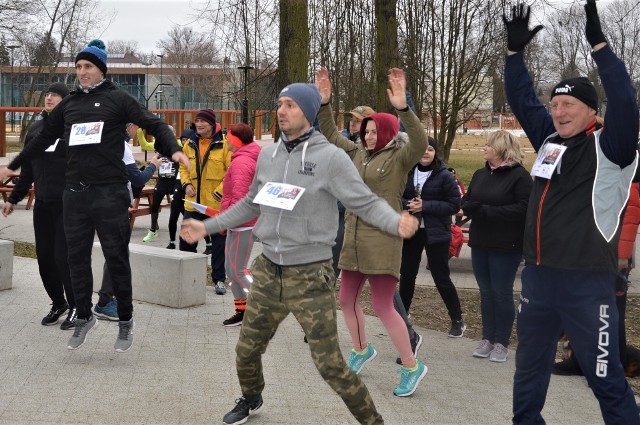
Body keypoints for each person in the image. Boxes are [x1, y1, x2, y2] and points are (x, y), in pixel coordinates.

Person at [180, 81, 419, 425]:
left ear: (307, 112)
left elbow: (362, 201)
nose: (281, 111)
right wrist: (208, 226)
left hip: (308, 275)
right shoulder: (268, 154)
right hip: (268, 270)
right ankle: (251, 397)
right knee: (246, 350)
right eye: (280, 104)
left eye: (290, 105)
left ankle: (372, 420)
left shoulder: (331, 157)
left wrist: (395, 222)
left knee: (330, 365)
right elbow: (250, 203)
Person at [0, 39, 189, 353]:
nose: (81, 72)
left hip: (110, 192)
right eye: (78, 67)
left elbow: (154, 123)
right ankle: (84, 316)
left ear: (101, 68)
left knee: (116, 257)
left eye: (87, 66)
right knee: (75, 259)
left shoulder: (118, 99)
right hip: (74, 193)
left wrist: (175, 148)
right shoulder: (70, 105)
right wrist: (14, 167)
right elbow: (42, 139)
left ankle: (126, 320)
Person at [503, 3, 640, 423]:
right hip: (540, 279)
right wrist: (513, 56)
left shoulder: (612, 148)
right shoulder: (549, 141)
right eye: (555, 104)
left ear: (591, 111)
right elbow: (523, 100)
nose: (558, 112)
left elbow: (624, 98)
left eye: (569, 105)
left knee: (605, 378)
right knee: (528, 375)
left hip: (588, 283)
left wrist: (600, 47)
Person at [316, 67, 428, 396]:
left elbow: (420, 142)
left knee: (382, 305)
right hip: (352, 236)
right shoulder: (356, 154)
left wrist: (403, 108)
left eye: (373, 131)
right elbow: (329, 136)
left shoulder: (400, 157)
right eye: (365, 131)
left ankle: (411, 365)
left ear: (388, 132)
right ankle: (362, 349)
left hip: (382, 237)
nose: (366, 136)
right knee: (345, 299)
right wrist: (324, 104)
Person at [2, 82, 76, 330]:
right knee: (44, 257)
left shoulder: (73, 129)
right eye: (47, 94)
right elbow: (28, 171)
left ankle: (77, 307)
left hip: (68, 203)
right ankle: (59, 303)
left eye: (55, 94)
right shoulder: (36, 129)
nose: (49, 97)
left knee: (62, 256)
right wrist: (14, 198)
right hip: (43, 204)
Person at [460, 130, 532, 363]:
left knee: (501, 293)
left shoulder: (519, 176)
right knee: (486, 293)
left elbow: (523, 208)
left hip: (506, 244)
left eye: (488, 144)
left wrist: (484, 210)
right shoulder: (481, 173)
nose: (484, 148)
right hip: (481, 241)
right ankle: (487, 338)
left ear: (501, 148)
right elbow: (468, 200)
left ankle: (502, 342)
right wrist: (470, 206)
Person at [399, 138, 465, 337]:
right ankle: (402, 317)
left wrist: (425, 205)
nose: (426, 153)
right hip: (413, 230)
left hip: (437, 232)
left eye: (430, 149)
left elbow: (454, 205)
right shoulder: (408, 172)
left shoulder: (444, 176)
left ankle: (457, 319)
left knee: (440, 276)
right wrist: (408, 203)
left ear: (436, 152)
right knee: (407, 275)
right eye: (422, 148)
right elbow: (396, 195)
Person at [93, 137, 161, 321]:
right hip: (113, 205)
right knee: (117, 254)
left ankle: (98, 301)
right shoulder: (119, 144)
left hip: (93, 202)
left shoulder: (91, 139)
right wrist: (153, 164)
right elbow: (138, 179)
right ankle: (104, 302)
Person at [179, 108, 231, 295]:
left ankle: (219, 280)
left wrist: (219, 192)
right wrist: (185, 185)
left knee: (218, 245)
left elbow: (232, 171)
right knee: (186, 241)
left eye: (203, 122)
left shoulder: (224, 144)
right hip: (193, 203)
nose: (199, 124)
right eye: (197, 121)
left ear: (212, 124)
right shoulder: (190, 143)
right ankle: (186, 278)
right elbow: (183, 167)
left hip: (214, 206)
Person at [220, 123, 261, 327]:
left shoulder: (241, 162)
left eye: (228, 136)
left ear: (236, 140)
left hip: (243, 224)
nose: (226, 139)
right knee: (231, 269)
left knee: (237, 270)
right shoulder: (242, 158)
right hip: (239, 223)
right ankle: (242, 310)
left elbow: (240, 197)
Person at [333, 106, 375, 277]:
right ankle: (324, 301)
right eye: (351, 120)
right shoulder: (340, 141)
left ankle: (392, 304)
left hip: (361, 216)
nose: (353, 124)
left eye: (358, 121)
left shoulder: (370, 149)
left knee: (375, 271)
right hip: (338, 210)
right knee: (332, 263)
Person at [132, 123, 182, 243]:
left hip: (175, 180)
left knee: (181, 207)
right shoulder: (158, 146)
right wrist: (139, 129)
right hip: (163, 180)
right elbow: (144, 145)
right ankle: (153, 230)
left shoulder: (178, 145)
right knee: (154, 205)